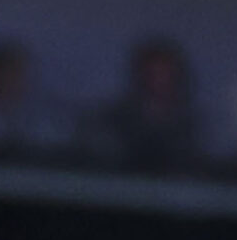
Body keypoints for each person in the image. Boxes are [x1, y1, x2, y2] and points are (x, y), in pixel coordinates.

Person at [82, 36, 202, 173]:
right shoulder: (115, 118)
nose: (160, 81)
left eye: (166, 74)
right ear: (140, 76)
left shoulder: (188, 125)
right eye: (154, 74)